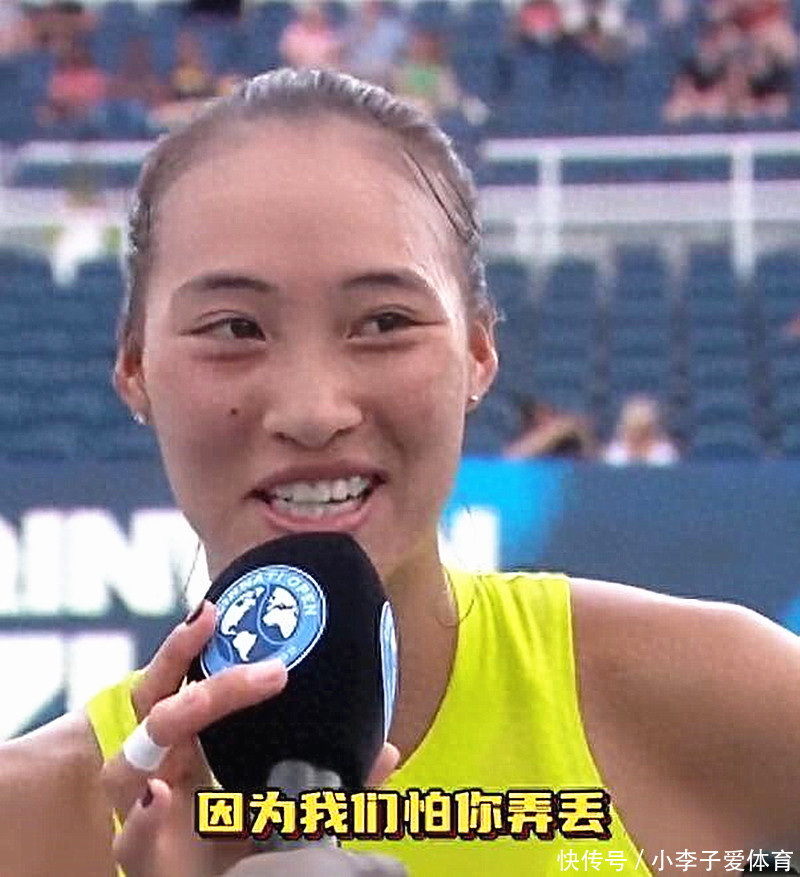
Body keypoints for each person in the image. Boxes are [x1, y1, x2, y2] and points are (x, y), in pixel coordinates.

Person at [0, 68, 798, 877]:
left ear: (478, 350)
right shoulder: (22, 822)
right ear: (135, 368)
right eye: (235, 328)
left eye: (384, 321)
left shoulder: (725, 705)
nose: (314, 410)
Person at [603, 395, 679, 466]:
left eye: (642, 430)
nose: (636, 435)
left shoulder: (664, 454)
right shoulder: (615, 453)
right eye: (632, 429)